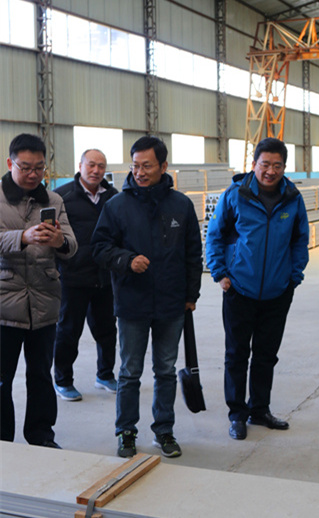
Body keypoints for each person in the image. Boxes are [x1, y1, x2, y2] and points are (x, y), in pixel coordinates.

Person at [92, 136, 202, 459]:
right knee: (129, 372)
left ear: (163, 166)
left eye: (147, 166)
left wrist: (191, 294)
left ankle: (164, 430)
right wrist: (126, 260)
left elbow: (193, 254)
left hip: (171, 303)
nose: (139, 172)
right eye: (135, 166)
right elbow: (99, 248)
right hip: (132, 303)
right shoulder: (117, 206)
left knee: (165, 370)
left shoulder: (181, 206)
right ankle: (126, 431)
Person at [206, 137, 309, 440]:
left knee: (266, 355)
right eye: (265, 164)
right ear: (254, 164)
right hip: (239, 289)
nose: (270, 171)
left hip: (278, 292)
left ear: (284, 167)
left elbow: (300, 240)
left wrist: (294, 276)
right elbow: (214, 235)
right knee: (236, 355)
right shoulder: (236, 195)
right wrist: (220, 273)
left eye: (277, 165)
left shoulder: (293, 198)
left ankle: (260, 409)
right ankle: (237, 414)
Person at [0, 133, 77, 447]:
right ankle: (3, 440)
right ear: (10, 163)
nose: (33, 174)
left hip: (44, 303)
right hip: (4, 305)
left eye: (39, 168)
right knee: (2, 380)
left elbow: (71, 245)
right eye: (26, 167)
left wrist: (60, 241)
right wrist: (22, 237)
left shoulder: (54, 201)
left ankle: (41, 435)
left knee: (42, 376)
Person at [53, 149, 118, 401]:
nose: (96, 170)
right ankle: (63, 380)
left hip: (105, 277)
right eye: (91, 165)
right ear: (80, 165)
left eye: (101, 166)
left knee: (107, 330)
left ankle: (105, 375)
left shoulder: (113, 197)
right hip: (73, 277)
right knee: (68, 331)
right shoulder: (62, 197)